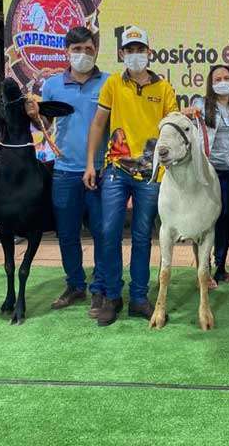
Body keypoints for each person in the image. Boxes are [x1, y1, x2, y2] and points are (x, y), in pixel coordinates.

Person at [84, 26, 178, 326]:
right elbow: (99, 125)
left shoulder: (163, 88)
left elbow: (172, 127)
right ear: (122, 53)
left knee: (142, 236)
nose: (135, 55)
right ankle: (113, 295)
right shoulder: (113, 83)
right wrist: (90, 164)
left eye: (141, 49)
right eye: (130, 50)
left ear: (149, 52)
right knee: (109, 232)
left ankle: (139, 297)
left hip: (151, 174)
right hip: (115, 169)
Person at [26, 26, 109, 318]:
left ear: (96, 50)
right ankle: (75, 284)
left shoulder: (109, 83)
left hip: (101, 171)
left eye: (88, 49)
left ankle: (100, 288)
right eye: (77, 49)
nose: (83, 54)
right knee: (67, 234)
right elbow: (45, 127)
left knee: (102, 232)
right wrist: (35, 117)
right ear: (66, 52)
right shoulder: (51, 86)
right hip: (63, 171)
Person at [185, 65, 229, 285]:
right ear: (211, 83)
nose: (222, 81)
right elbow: (186, 126)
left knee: (225, 221)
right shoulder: (200, 105)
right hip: (207, 172)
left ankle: (220, 267)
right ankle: (204, 270)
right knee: (204, 223)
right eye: (217, 78)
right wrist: (186, 113)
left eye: (226, 77)